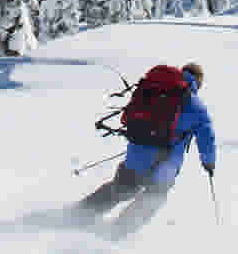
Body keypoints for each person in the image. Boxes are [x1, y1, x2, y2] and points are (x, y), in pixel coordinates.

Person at [73, 61, 216, 235]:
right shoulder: (196, 106)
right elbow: (206, 138)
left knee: (121, 188)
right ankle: (117, 233)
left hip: (137, 153)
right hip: (166, 166)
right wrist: (209, 163)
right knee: (152, 199)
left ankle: (79, 215)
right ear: (198, 82)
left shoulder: (155, 87)